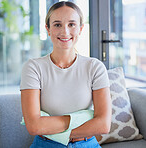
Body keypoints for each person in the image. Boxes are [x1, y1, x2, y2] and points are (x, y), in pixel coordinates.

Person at [20, 1, 112, 148]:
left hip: (87, 144)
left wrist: (50, 124)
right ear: (48, 29)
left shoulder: (94, 67)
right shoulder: (33, 68)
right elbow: (34, 126)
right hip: (46, 145)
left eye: (71, 24)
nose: (65, 32)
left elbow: (103, 125)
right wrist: (84, 118)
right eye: (57, 24)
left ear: (81, 29)